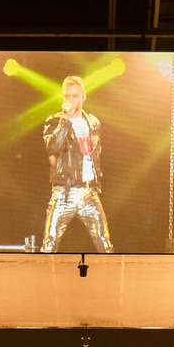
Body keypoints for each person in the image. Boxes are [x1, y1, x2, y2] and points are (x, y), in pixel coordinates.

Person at [40, 75, 113, 252]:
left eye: (75, 96)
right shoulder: (55, 121)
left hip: (89, 193)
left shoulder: (93, 123)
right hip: (65, 192)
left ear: (83, 97)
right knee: (49, 245)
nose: (70, 100)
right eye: (67, 96)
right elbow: (53, 148)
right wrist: (65, 120)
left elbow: (96, 154)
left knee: (105, 244)